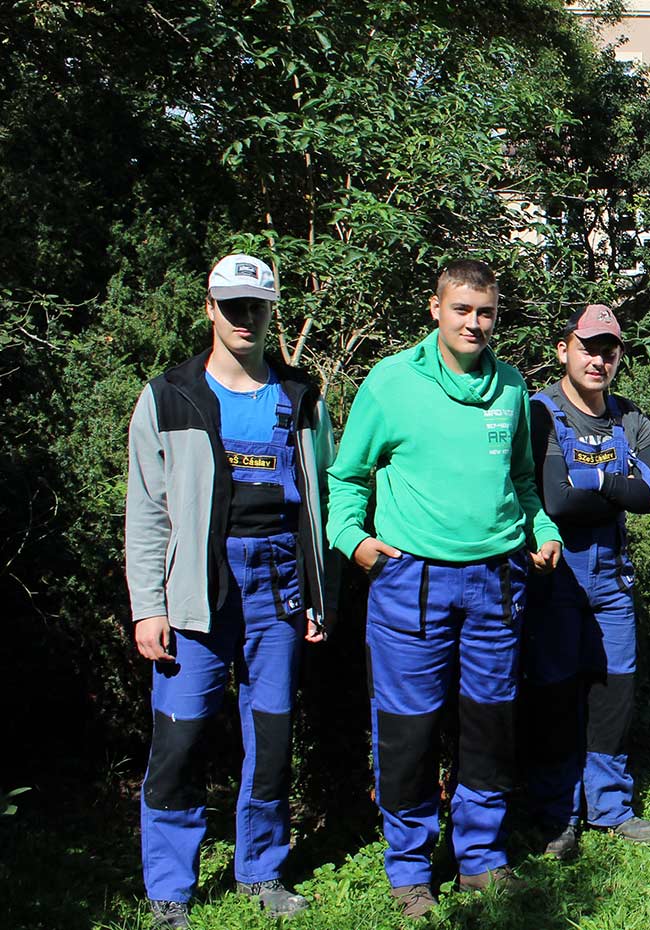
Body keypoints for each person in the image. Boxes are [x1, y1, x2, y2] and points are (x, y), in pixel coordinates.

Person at [327, 259, 562, 918]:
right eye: (462, 309)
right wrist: (353, 540)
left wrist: (543, 530)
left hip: (497, 582)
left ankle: (480, 858)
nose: (474, 323)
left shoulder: (510, 386)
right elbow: (346, 477)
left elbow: (522, 481)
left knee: (489, 725)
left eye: (486, 312)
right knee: (408, 730)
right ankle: (409, 869)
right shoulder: (391, 383)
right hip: (412, 582)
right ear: (436, 310)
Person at [126, 254, 336, 929]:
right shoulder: (169, 396)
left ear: (272, 312)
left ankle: (261, 871)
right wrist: (148, 607)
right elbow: (148, 512)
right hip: (197, 590)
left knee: (271, 736)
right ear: (210, 309)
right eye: (234, 305)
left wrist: (320, 596)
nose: (246, 318)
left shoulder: (303, 398)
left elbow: (323, 503)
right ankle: (169, 889)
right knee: (179, 739)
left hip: (280, 585)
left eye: (258, 307)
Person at [521, 304, 650, 859]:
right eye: (587, 348)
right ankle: (558, 814)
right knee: (558, 691)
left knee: (614, 688)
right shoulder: (541, 413)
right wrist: (617, 482)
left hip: (613, 574)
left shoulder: (630, 418)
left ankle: (610, 805)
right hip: (556, 575)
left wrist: (592, 479)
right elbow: (556, 501)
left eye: (608, 350)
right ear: (564, 349)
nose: (598, 360)